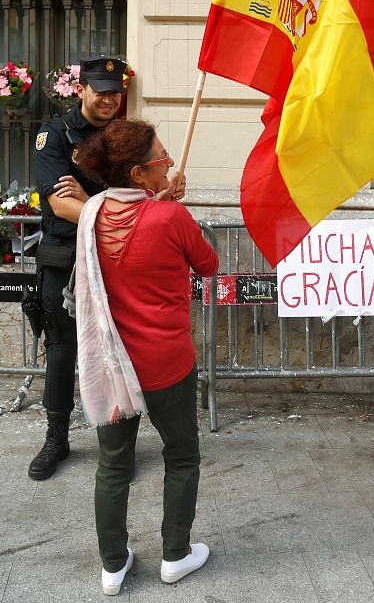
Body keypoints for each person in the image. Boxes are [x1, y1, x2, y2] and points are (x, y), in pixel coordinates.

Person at [74, 118, 218, 595]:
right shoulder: (170, 217)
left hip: (111, 364)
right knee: (182, 456)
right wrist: (172, 209)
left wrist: (164, 203)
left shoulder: (92, 214)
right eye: (161, 157)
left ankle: (113, 566)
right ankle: (176, 555)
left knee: (113, 464)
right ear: (138, 174)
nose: (171, 161)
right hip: (167, 362)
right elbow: (209, 264)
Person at [29, 56, 184, 481]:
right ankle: (56, 437)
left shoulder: (128, 137)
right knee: (61, 350)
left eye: (116, 92)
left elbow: (149, 187)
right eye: (101, 91)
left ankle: (117, 447)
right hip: (68, 256)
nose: (108, 100)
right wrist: (117, 214)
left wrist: (161, 191)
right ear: (81, 90)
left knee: (119, 352)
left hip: (119, 256)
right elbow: (60, 203)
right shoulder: (55, 135)